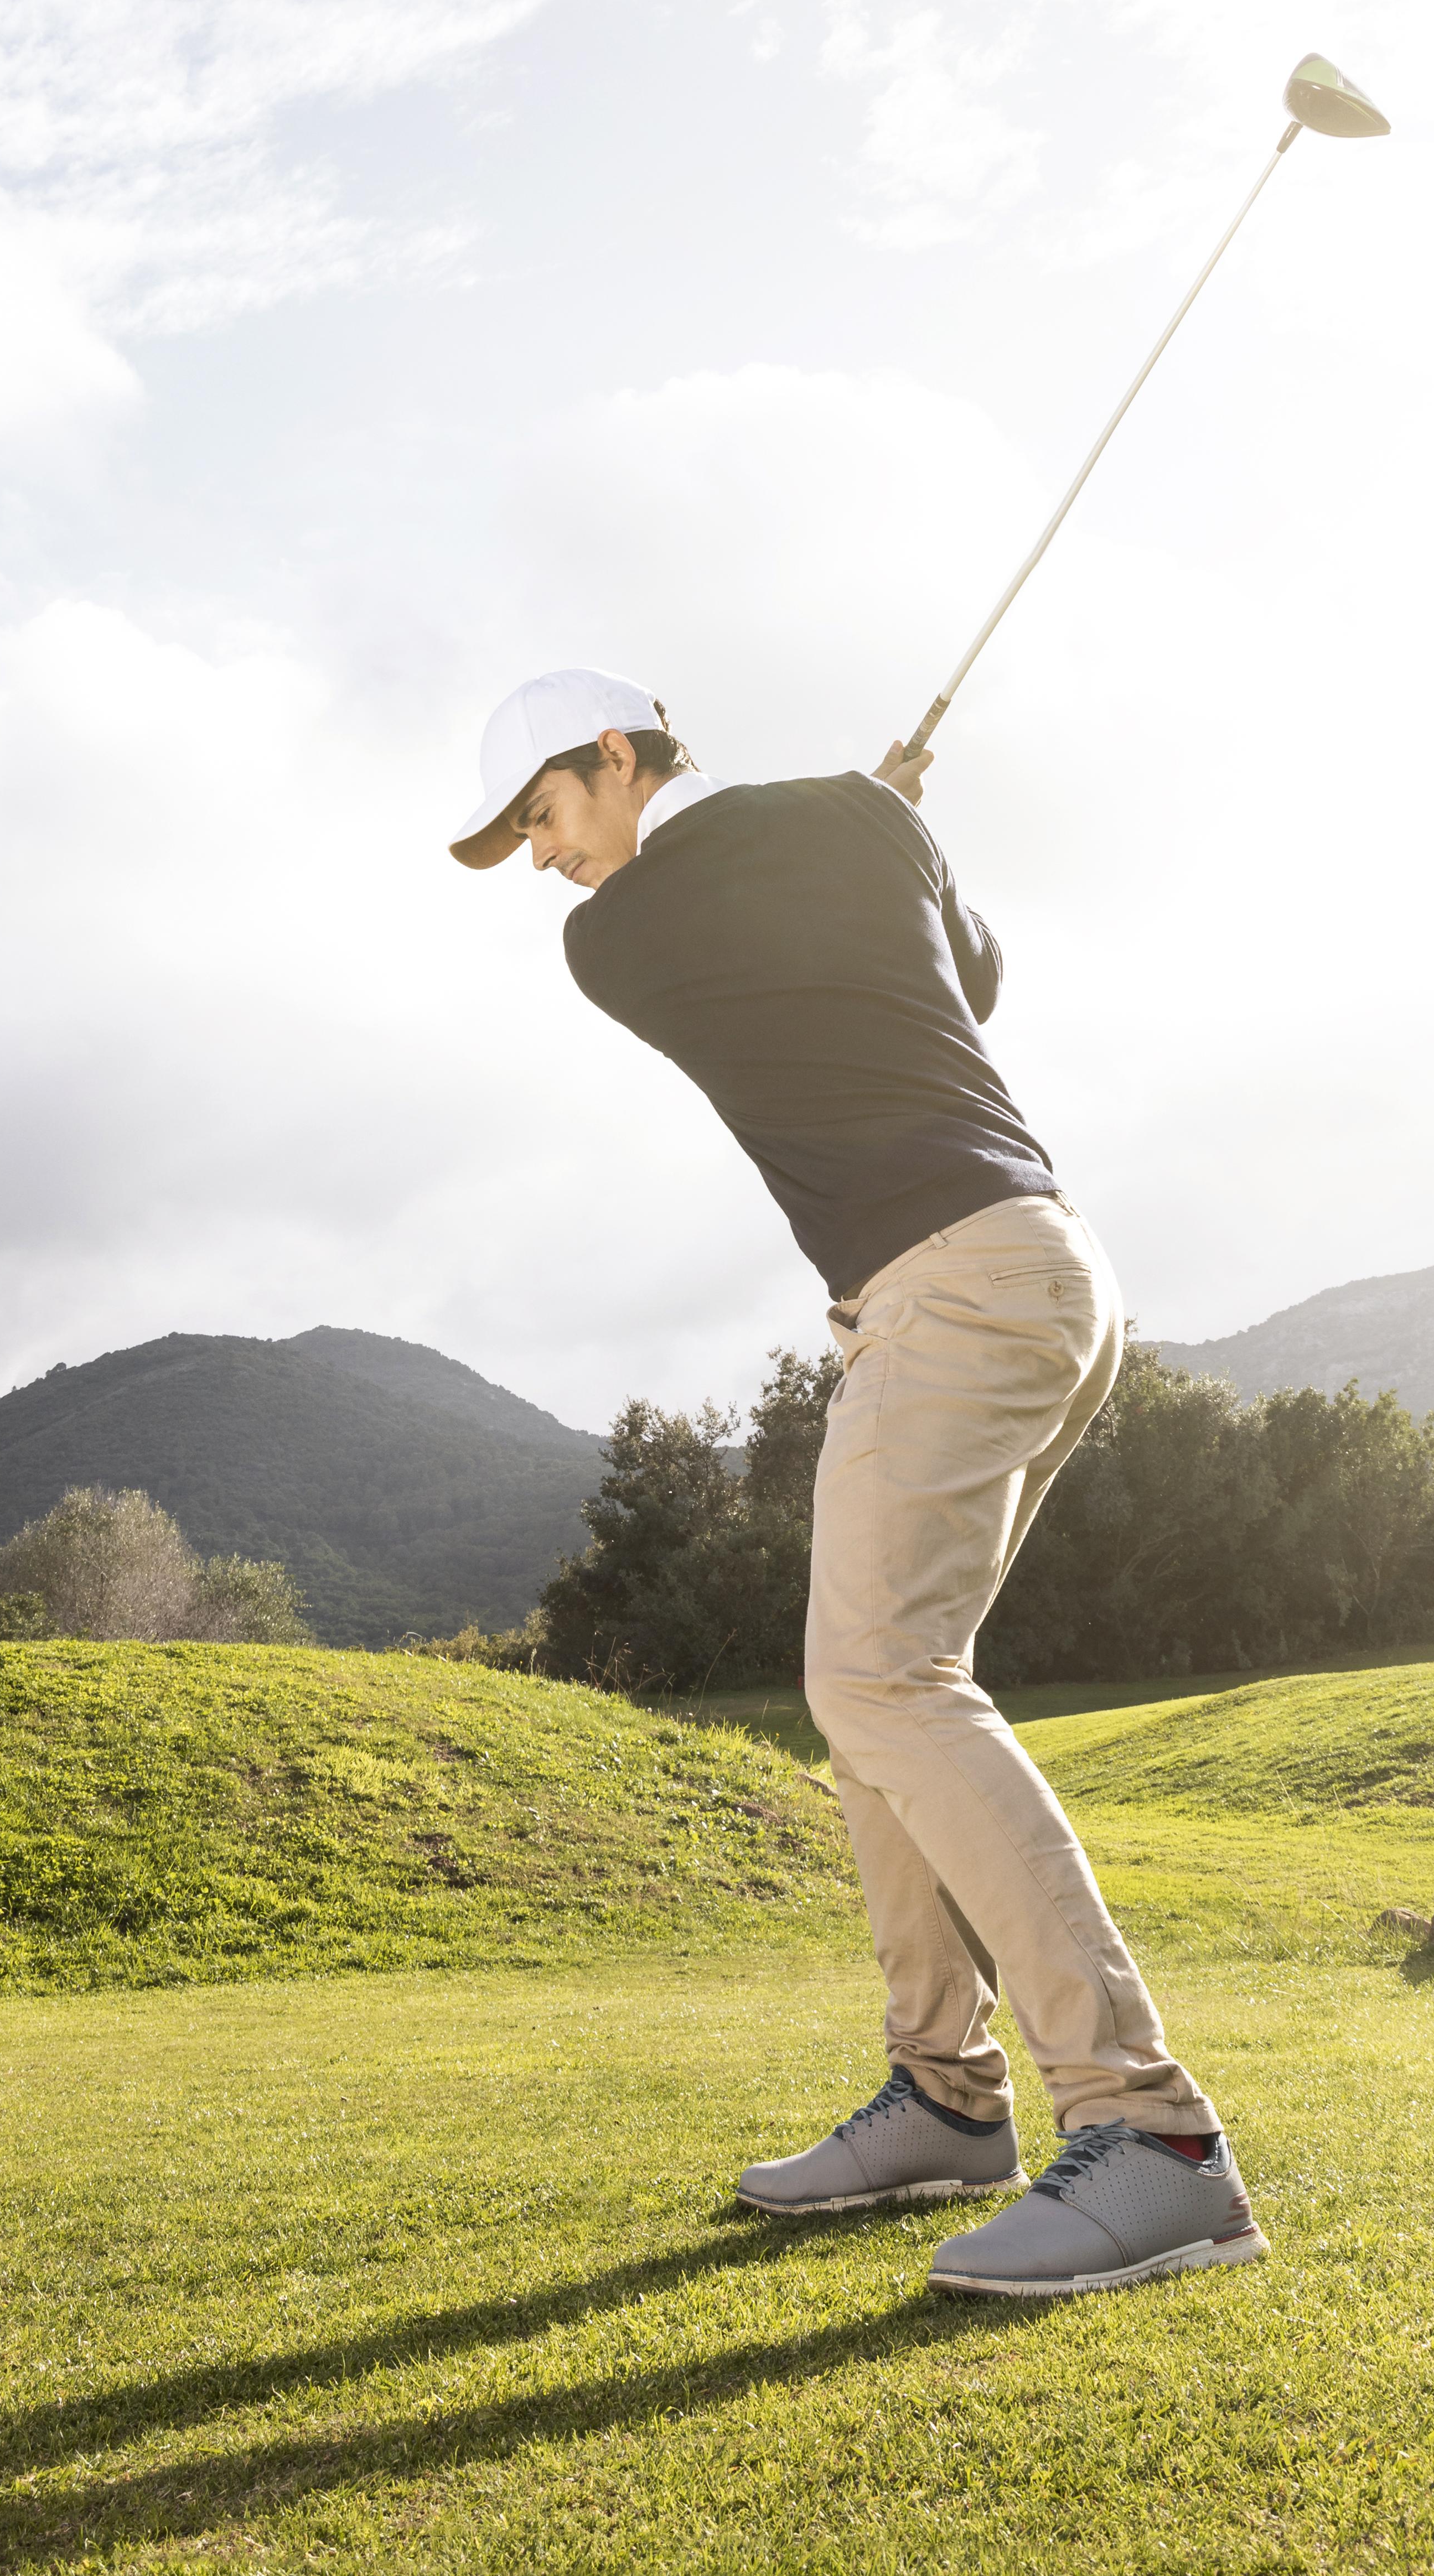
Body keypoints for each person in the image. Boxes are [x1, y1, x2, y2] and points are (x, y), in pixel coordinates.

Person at [448, 665, 1269, 2299]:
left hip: (961, 1282)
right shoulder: (823, 838)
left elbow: (898, 952)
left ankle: (1148, 2133)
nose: (542, 859)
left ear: (615, 757)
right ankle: (947, 2095)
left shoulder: (634, 918)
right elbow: (972, 965)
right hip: (1032, 1276)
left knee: (884, 1681)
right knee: (875, 1700)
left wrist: (867, 821)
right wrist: (883, 826)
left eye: (543, 814)